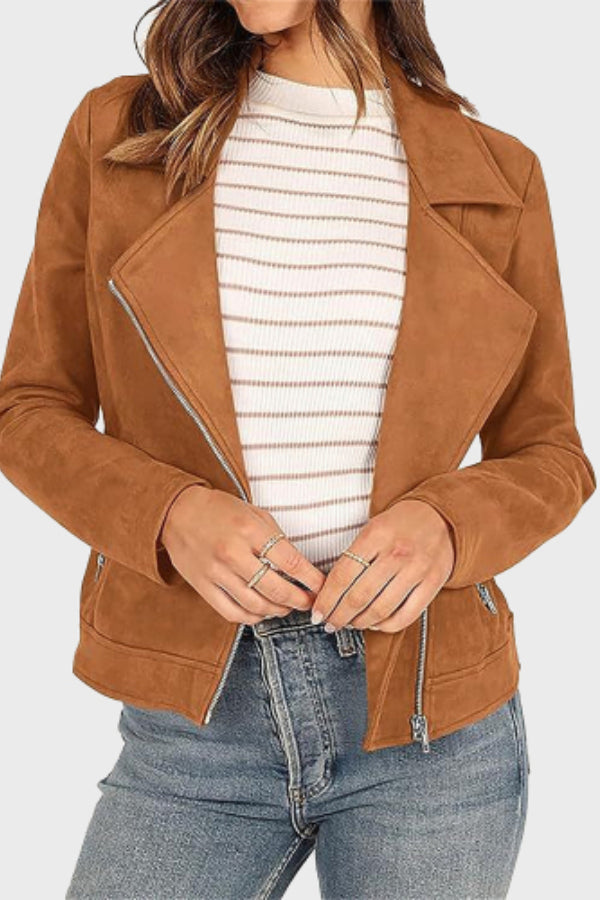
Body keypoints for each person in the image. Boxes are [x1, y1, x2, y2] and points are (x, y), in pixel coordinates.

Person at [0, 1, 594, 897]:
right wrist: (170, 514)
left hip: (429, 721)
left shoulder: (495, 175)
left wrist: (447, 525)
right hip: (194, 723)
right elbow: (29, 408)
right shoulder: (124, 134)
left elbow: (551, 452)